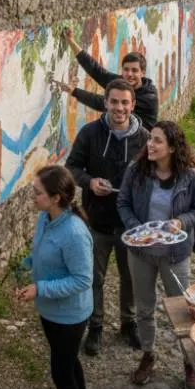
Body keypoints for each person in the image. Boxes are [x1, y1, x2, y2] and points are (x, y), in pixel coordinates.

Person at [117, 120, 195, 389]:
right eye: (150, 139)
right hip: (141, 252)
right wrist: (137, 229)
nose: (150, 145)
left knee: (182, 311)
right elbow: (122, 202)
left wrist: (181, 221)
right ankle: (148, 355)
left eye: (157, 141)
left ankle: (189, 363)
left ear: (172, 147)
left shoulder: (191, 177)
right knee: (144, 308)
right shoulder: (137, 171)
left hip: (175, 254)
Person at [64, 79, 148, 356]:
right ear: (105, 103)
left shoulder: (145, 139)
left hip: (130, 224)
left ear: (133, 105)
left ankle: (129, 322)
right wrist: (89, 182)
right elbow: (72, 167)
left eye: (125, 102)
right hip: (96, 221)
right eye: (114, 101)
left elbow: (155, 174)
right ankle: (96, 326)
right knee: (94, 278)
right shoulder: (90, 133)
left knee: (131, 277)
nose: (120, 107)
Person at [15, 165, 93, 389]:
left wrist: (40, 289)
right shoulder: (45, 217)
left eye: (37, 192)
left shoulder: (74, 233)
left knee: (61, 373)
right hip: (50, 310)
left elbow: (82, 279)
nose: (33, 197)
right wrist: (27, 263)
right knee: (69, 362)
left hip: (69, 316)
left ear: (55, 198)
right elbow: (42, 249)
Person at [57, 28, 159, 127]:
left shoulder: (149, 97)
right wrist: (71, 41)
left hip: (140, 142)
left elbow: (102, 103)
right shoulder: (123, 83)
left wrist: (74, 91)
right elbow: (99, 73)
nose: (129, 74)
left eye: (134, 70)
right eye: (126, 69)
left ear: (143, 73)